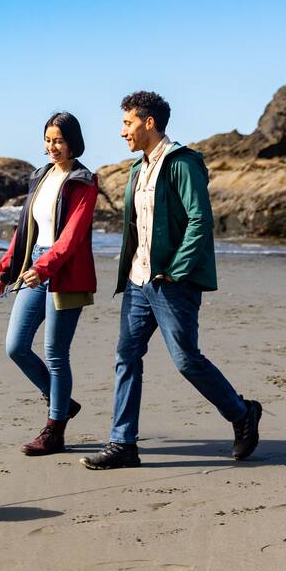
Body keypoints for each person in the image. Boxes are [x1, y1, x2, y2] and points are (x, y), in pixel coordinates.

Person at [81, 91, 262, 470]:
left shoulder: (182, 163)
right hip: (137, 281)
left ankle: (242, 412)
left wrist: (176, 269)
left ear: (149, 123)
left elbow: (200, 220)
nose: (122, 132)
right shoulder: (137, 168)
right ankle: (123, 443)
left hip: (171, 281)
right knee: (126, 356)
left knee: (186, 360)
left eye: (127, 123)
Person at [0, 111, 99, 456]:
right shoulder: (40, 177)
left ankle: (55, 428)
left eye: (59, 140)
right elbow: (25, 229)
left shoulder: (83, 181)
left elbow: (72, 236)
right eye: (48, 140)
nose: (52, 146)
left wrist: (46, 266)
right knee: (16, 347)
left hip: (64, 271)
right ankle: (62, 402)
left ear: (73, 142)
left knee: (55, 353)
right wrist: (5, 270)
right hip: (35, 264)